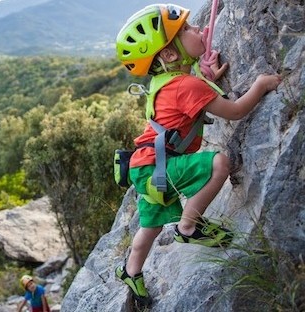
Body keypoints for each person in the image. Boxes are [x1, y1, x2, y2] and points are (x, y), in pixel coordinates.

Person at [114, 3, 282, 306]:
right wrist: (260, 85)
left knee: (149, 228)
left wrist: (207, 77)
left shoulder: (167, 80)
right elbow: (235, 111)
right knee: (219, 162)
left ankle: (130, 271)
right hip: (157, 167)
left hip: (144, 167)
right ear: (169, 55)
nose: (198, 29)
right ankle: (188, 227)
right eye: (187, 30)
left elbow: (185, 99)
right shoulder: (186, 85)